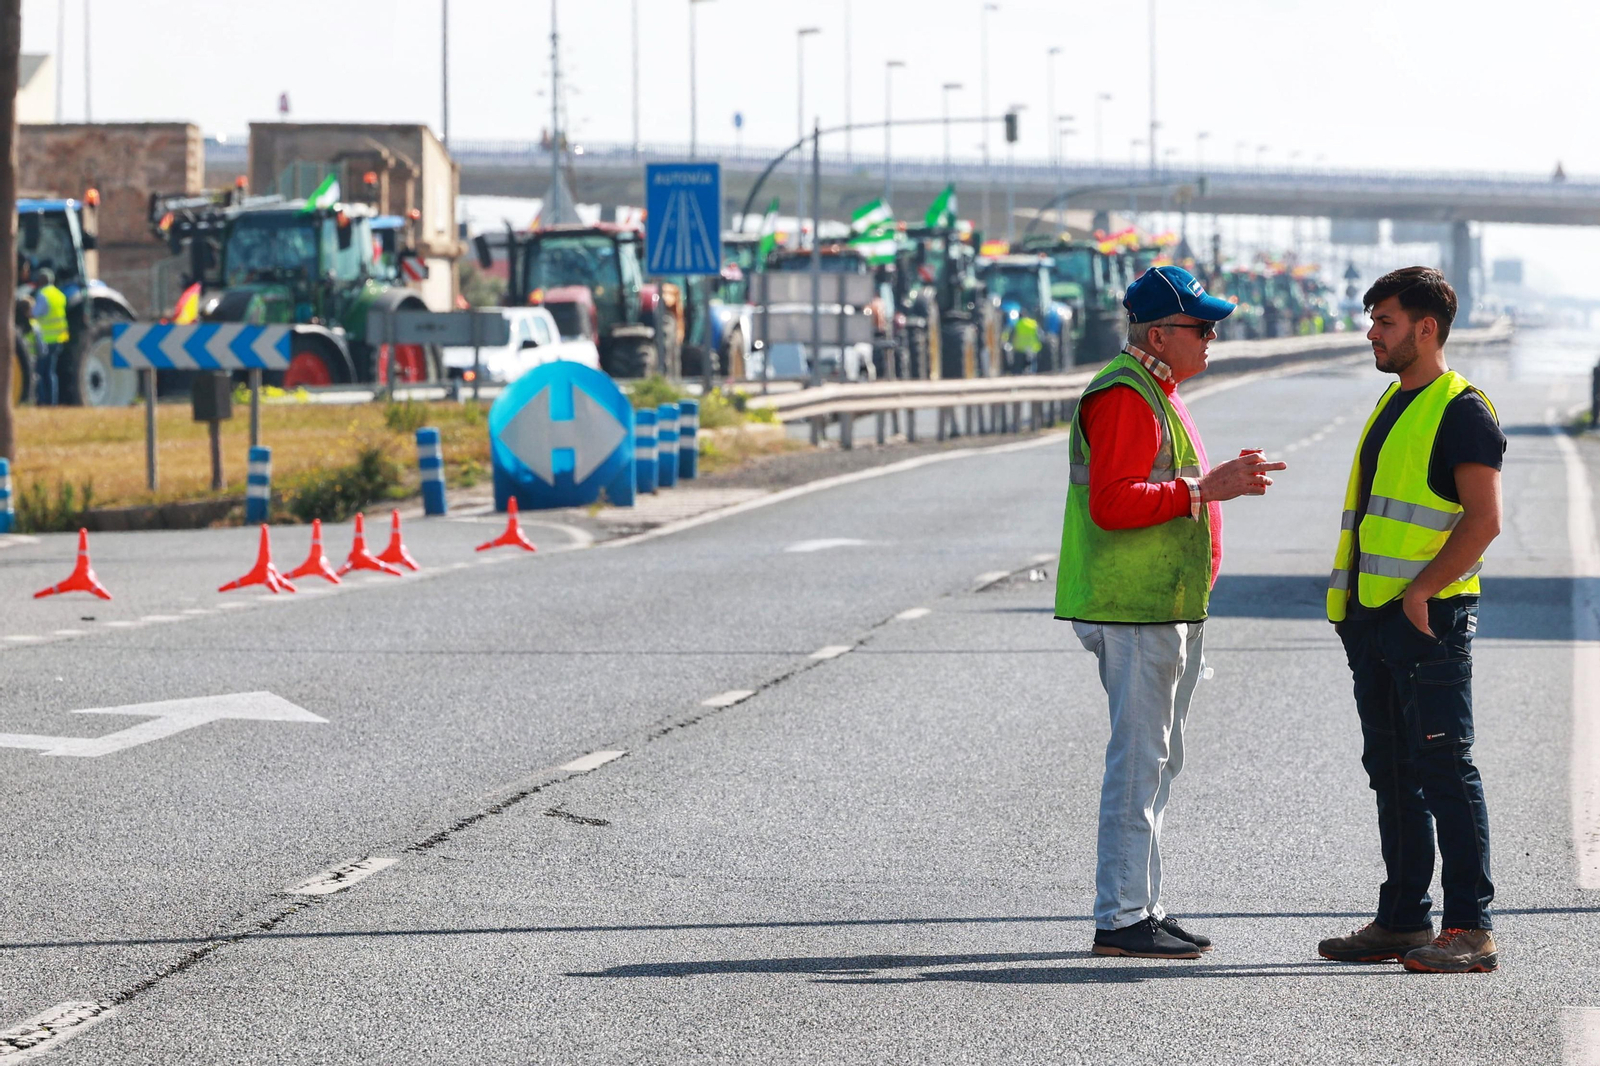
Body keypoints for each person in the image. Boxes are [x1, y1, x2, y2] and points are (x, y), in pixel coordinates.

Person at [1055, 265, 1287, 959]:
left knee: (1156, 762)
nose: (1212, 337)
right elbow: (1113, 501)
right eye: (1201, 326)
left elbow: (1153, 485)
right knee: (1140, 764)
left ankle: (1141, 906)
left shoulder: (1156, 390)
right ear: (1159, 332)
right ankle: (1123, 917)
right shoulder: (1127, 395)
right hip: (1135, 609)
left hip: (1160, 605)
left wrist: (1208, 487)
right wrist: (1205, 488)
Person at [1317, 266, 1505, 974]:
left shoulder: (1462, 409)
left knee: (1443, 770)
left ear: (1426, 328)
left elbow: (1484, 521)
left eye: (1385, 321)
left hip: (1429, 620)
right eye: (1373, 321)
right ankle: (1401, 920)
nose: (1372, 333)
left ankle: (1470, 929)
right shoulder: (1394, 400)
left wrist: (1423, 591)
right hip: (1372, 621)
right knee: (1393, 771)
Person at [31, 266, 68, 406]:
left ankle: (43, 401)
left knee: (41, 372)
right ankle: (52, 402)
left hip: (45, 340)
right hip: (59, 338)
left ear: (42, 280)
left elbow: (35, 313)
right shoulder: (60, 295)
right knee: (51, 373)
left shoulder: (43, 295)